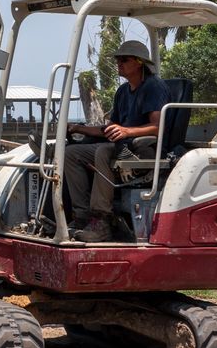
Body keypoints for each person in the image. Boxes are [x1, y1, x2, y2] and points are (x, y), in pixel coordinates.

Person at [61, 39, 169, 242]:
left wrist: (127, 132)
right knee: (72, 153)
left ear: (138, 62)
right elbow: (110, 129)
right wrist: (78, 128)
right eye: (118, 59)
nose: (119, 63)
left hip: (145, 149)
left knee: (102, 152)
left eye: (124, 60)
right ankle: (82, 216)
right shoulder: (123, 92)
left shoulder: (154, 87)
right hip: (122, 146)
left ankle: (101, 221)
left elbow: (158, 127)